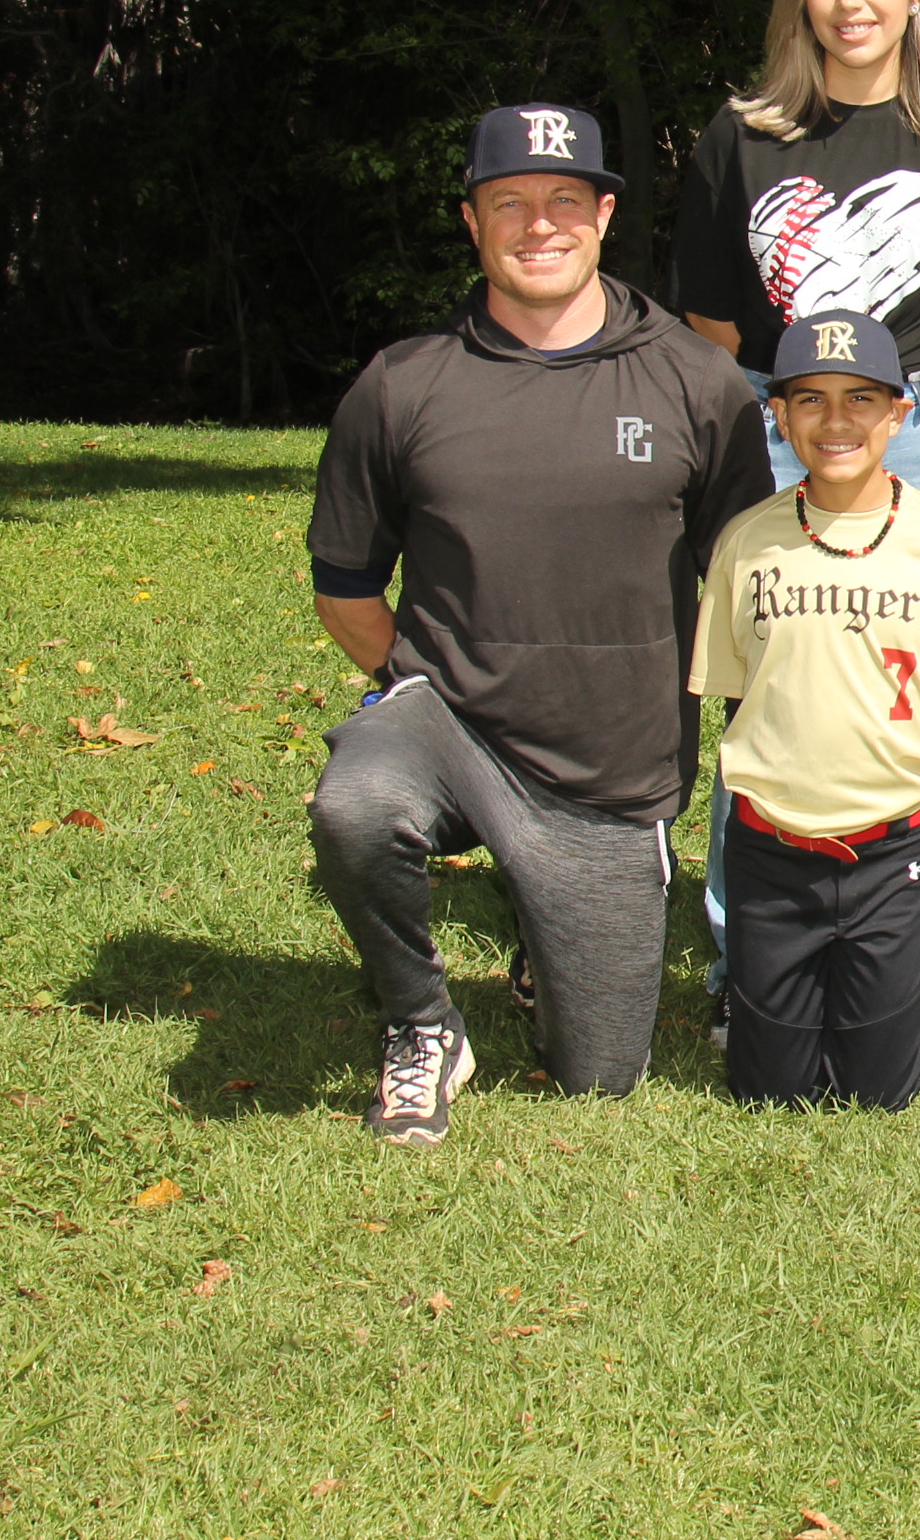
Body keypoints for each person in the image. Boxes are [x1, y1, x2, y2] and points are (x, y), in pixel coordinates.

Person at [306, 105, 771, 1144]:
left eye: (566, 198)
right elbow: (344, 586)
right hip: (450, 725)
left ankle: (545, 926)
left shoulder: (695, 382)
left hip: (610, 766)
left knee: (598, 1076)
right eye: (508, 201)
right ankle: (422, 1024)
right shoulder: (404, 384)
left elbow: (743, 582)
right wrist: (419, 686)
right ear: (472, 221)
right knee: (355, 802)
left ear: (604, 215)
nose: (539, 223)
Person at [675, 0, 920, 1044]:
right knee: (773, 685)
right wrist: (767, 424)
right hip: (778, 427)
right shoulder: (741, 138)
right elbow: (713, 325)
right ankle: (749, 953)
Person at [687, 312, 920, 1107]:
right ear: (778, 414)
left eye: (861, 398)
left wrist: (898, 788)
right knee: (769, 1089)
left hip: (893, 853)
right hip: (773, 850)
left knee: (879, 1089)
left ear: (898, 413)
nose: (836, 421)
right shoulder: (746, 544)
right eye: (811, 400)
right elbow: (739, 701)